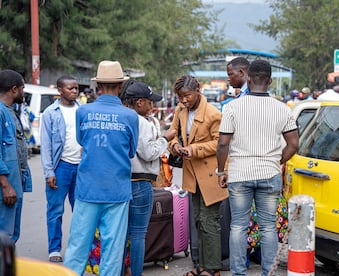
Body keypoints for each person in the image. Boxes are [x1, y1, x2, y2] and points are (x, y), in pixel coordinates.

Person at [216, 60, 298, 276]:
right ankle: (268, 273)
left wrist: (220, 171)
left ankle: (238, 273)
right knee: (269, 227)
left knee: (238, 226)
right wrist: (276, 161)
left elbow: (223, 143)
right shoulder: (283, 109)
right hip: (269, 174)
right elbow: (293, 144)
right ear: (270, 81)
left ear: (249, 79)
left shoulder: (232, 107)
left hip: (239, 174)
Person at [63, 60, 139, 275]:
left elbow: (81, 141)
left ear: (99, 86)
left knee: (77, 246)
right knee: (112, 250)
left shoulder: (83, 112)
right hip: (117, 189)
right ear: (120, 86)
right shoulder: (130, 116)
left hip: (87, 188)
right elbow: (131, 151)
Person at [168, 75, 228, 276]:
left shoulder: (213, 114)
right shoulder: (180, 110)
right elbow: (173, 133)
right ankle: (201, 265)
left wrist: (195, 149)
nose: (184, 100)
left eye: (187, 96)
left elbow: (220, 143)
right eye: (180, 97)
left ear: (198, 90)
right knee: (197, 220)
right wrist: (175, 146)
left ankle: (213, 268)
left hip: (210, 174)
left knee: (209, 221)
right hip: (192, 174)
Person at [121, 81, 176, 276]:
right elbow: (148, 153)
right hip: (140, 182)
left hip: (122, 181)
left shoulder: (123, 118)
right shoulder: (141, 122)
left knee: (121, 234)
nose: (152, 106)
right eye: (149, 102)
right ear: (138, 103)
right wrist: (165, 139)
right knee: (138, 234)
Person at [40, 75, 81, 263]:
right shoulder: (51, 113)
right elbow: (46, 145)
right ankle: (54, 249)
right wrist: (49, 172)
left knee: (81, 210)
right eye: (70, 88)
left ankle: (78, 249)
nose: (74, 91)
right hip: (60, 167)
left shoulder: (83, 110)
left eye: (76, 88)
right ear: (60, 91)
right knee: (55, 210)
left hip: (81, 168)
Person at [0, 69, 32, 242]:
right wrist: (6, 186)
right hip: (6, 187)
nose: (23, 92)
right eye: (22, 88)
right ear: (14, 89)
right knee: (4, 237)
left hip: (15, 183)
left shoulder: (10, 111)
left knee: (11, 236)